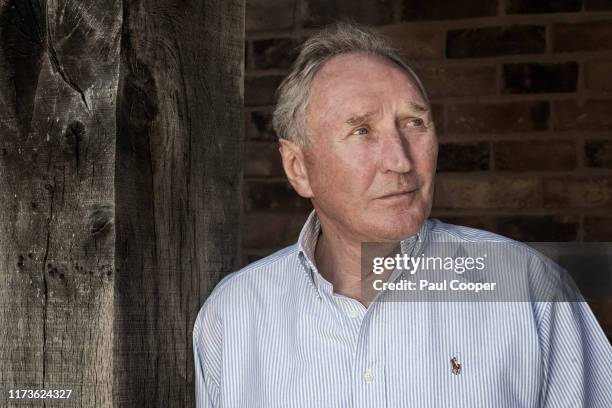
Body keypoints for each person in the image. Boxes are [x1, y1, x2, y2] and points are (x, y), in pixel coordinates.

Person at [193, 22, 612, 407]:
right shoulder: (233, 314)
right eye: (361, 130)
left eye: (415, 123)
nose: (400, 160)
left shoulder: (528, 286)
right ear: (298, 168)